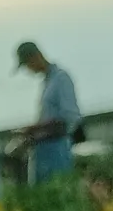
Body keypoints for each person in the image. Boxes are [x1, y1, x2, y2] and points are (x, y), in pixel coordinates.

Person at [13, 41, 82, 184]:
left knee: (59, 190)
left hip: (57, 149)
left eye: (27, 64)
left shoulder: (60, 79)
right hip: (43, 149)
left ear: (35, 57)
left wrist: (34, 128)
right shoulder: (47, 82)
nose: (28, 69)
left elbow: (69, 118)